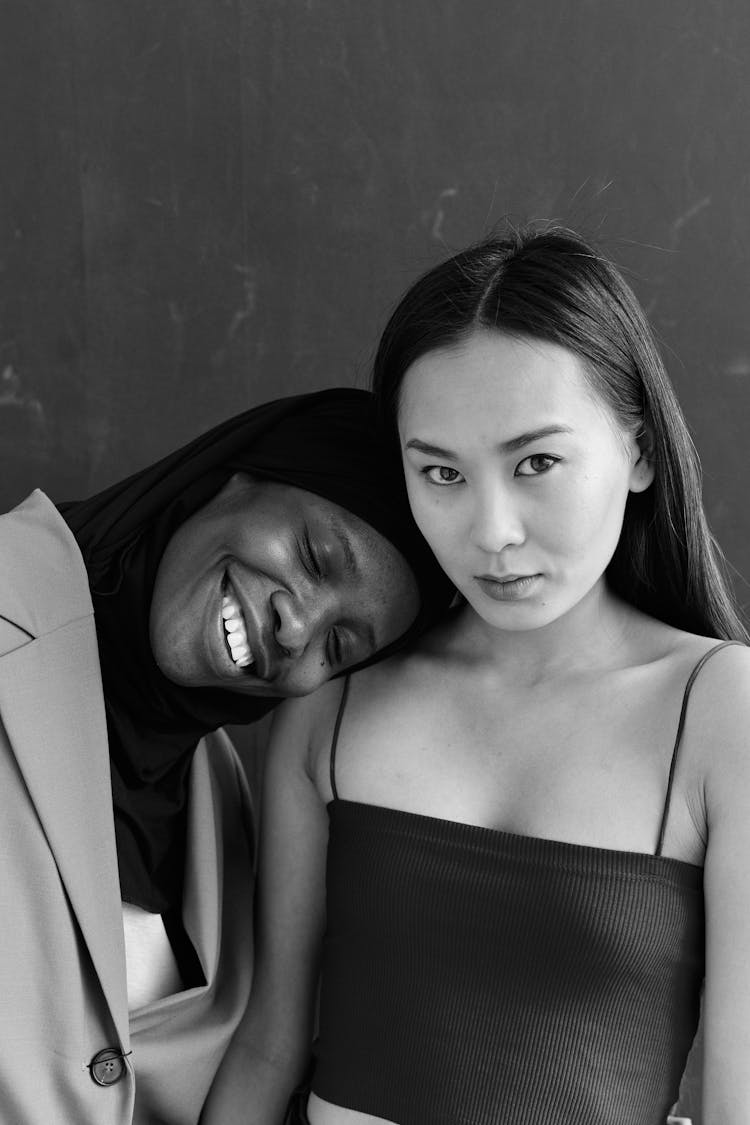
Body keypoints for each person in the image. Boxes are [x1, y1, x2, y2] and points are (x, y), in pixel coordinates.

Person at [215, 229, 750, 1125]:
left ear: (642, 453)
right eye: (441, 472)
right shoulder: (335, 698)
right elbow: (270, 1044)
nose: (491, 529)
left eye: (536, 462)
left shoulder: (719, 710)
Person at [0, 386, 451, 1125]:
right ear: (236, 474)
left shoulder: (227, 815)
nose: (299, 624)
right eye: (314, 554)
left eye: (340, 647)